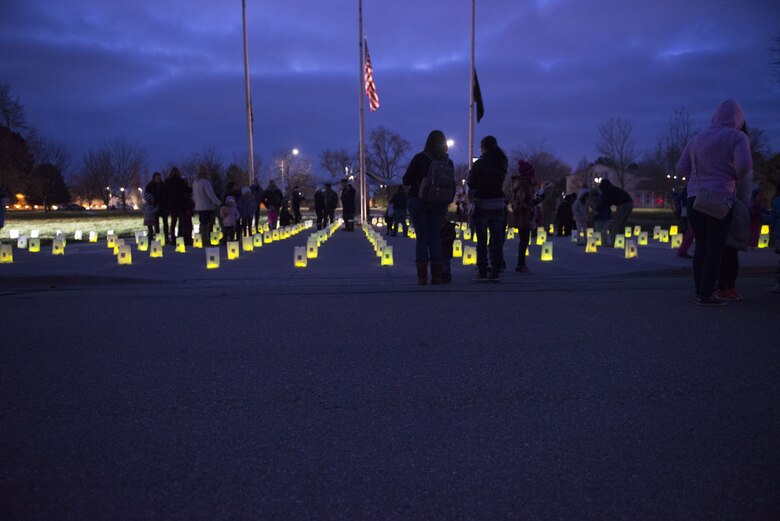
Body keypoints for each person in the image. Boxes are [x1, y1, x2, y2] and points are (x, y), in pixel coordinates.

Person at [676, 99, 752, 306]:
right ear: (738, 119)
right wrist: (731, 175)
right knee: (715, 247)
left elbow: (681, 169)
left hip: (695, 197)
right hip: (721, 197)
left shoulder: (696, 138)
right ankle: (707, 292)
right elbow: (745, 165)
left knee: (701, 244)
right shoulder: (737, 136)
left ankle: (699, 288)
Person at [402, 130, 454, 285]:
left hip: (418, 201)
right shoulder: (447, 161)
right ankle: (438, 276)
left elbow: (406, 179)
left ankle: (422, 276)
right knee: (435, 238)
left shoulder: (420, 158)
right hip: (439, 203)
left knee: (422, 237)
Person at [467, 135, 508, 282]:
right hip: (498, 203)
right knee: (496, 240)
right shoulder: (502, 162)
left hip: (483, 203)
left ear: (483, 147)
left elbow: (471, 183)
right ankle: (496, 269)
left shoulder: (480, 163)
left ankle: (482, 270)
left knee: (482, 240)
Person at [716, 172, 752, 301]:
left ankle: (725, 286)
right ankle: (725, 287)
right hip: (733, 203)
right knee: (729, 253)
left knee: (727, 252)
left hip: (726, 202)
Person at [508, 160, 540, 272]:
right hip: (524, 216)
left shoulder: (520, 184)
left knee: (524, 240)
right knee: (524, 240)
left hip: (520, 215)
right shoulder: (525, 184)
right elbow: (527, 202)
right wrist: (540, 198)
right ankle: (521, 264)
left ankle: (521, 263)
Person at [596, 179, 633, 246]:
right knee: (621, 224)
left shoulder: (608, 191)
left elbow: (606, 203)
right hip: (629, 203)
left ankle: (614, 242)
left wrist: (597, 210)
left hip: (623, 204)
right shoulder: (612, 189)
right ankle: (621, 242)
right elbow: (608, 203)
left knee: (615, 224)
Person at [192, 166, 222, 239]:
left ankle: (201, 238)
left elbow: (194, 195)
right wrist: (219, 203)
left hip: (199, 206)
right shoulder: (205, 182)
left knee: (202, 223)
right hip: (207, 206)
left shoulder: (195, 182)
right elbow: (211, 194)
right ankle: (206, 239)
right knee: (207, 223)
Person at [165, 167, 190, 244]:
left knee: (173, 222)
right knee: (182, 222)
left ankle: (173, 237)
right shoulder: (181, 182)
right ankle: (183, 237)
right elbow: (187, 190)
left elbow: (165, 194)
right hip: (181, 204)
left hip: (172, 205)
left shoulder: (167, 182)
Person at [145, 172, 168, 241]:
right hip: (154, 206)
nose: (159, 179)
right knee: (156, 223)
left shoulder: (163, 185)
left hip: (163, 206)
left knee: (165, 223)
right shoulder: (150, 186)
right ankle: (158, 237)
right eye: (157, 178)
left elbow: (166, 195)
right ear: (154, 178)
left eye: (159, 178)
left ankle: (166, 237)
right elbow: (146, 196)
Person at [440, 216, 456, 283]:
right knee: (443, 262)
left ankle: (445, 275)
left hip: (446, 248)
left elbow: (452, 237)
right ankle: (440, 274)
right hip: (442, 248)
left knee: (446, 262)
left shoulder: (450, 227)